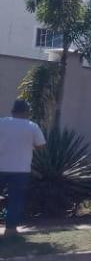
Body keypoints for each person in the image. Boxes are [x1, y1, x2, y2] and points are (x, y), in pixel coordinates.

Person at [0, 100, 46, 237]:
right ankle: (10, 230)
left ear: (13, 111)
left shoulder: (2, 122)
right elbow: (41, 146)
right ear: (27, 112)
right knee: (16, 199)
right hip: (21, 169)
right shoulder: (32, 126)